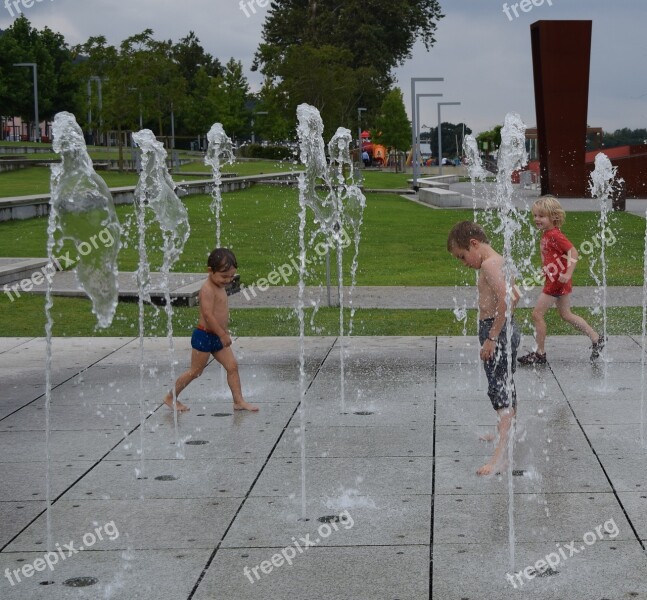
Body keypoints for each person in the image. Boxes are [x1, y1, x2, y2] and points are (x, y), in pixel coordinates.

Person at [447, 221, 520, 476]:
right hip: (505, 329)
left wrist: (491, 336)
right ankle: (503, 435)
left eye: (463, 256)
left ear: (474, 244)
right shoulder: (500, 261)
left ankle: (500, 458)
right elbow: (516, 295)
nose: (464, 263)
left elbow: (508, 299)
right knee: (505, 386)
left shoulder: (489, 265)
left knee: (498, 389)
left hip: (496, 331)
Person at [163, 248, 259, 413]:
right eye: (224, 276)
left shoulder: (220, 286)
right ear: (210, 271)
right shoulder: (207, 289)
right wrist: (222, 334)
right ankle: (171, 397)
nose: (228, 280)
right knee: (195, 372)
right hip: (205, 336)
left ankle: (238, 401)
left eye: (231, 276)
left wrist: (223, 331)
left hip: (218, 337)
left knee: (232, 366)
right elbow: (207, 315)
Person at [517, 195, 604, 366]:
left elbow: (574, 252)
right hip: (556, 278)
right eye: (535, 215)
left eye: (541, 216)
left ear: (553, 217)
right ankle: (596, 338)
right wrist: (547, 269)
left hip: (557, 281)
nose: (536, 219)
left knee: (537, 314)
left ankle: (540, 353)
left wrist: (568, 273)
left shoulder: (555, 235)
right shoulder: (548, 234)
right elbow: (553, 256)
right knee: (566, 314)